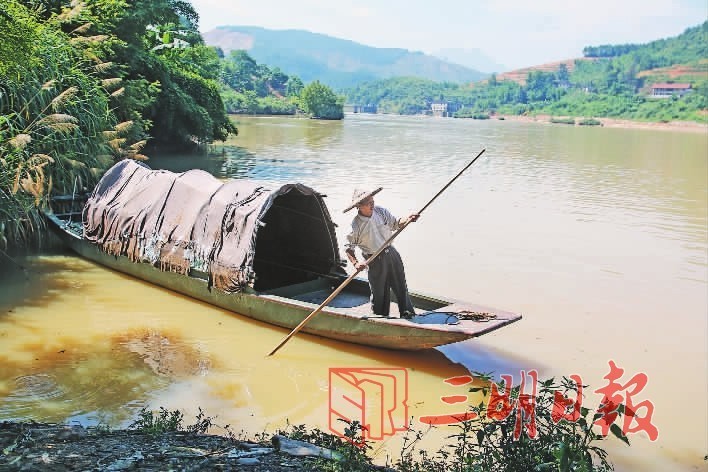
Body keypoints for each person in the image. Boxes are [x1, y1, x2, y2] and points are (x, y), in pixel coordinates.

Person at [343, 187, 419, 319]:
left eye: (373, 201)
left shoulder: (381, 212)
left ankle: (407, 313)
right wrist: (356, 263)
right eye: (368, 203)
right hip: (374, 260)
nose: (372, 205)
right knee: (379, 293)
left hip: (392, 254)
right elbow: (348, 248)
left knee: (401, 285)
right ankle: (379, 318)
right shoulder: (355, 225)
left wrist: (407, 219)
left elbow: (395, 223)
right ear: (359, 206)